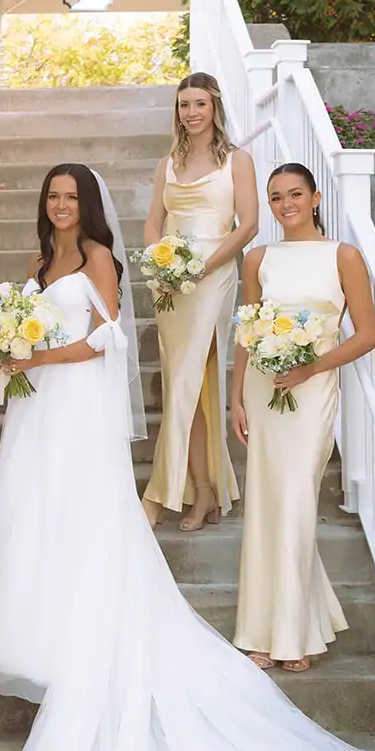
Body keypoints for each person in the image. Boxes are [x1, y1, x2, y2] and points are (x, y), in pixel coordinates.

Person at [0, 162, 375, 751]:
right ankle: (43, 622)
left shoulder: (99, 256)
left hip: (71, 408)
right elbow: (40, 326)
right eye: (52, 197)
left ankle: (98, 626)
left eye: (70, 196)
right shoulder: (38, 263)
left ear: (86, 205)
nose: (60, 205)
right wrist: (9, 345)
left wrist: (30, 354)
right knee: (34, 515)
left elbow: (102, 339)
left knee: (81, 515)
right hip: (37, 411)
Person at [232, 164, 375, 672]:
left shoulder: (344, 256)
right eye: (275, 197)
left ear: (315, 197)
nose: (285, 203)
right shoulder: (256, 258)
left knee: (295, 500)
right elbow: (245, 332)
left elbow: (365, 335)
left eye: (295, 194)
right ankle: (264, 631)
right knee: (268, 505)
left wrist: (310, 367)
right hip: (264, 389)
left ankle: (291, 635)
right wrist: (236, 399)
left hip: (313, 389)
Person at [142, 73, 258, 532]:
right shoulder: (167, 163)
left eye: (199, 104)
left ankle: (159, 495)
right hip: (171, 284)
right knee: (183, 383)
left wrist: (201, 267)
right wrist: (161, 266)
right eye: (183, 105)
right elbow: (154, 223)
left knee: (190, 378)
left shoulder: (237, 161)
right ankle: (204, 491)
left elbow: (247, 224)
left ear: (214, 108)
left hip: (213, 275)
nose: (190, 113)